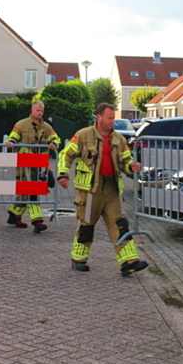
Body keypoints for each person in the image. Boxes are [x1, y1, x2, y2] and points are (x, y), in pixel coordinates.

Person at [58, 103, 149, 276]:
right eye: (109, 118)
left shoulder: (119, 139)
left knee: (120, 225)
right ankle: (78, 259)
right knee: (87, 227)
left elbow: (126, 161)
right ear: (99, 117)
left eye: (113, 118)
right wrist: (62, 174)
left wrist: (132, 167)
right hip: (90, 191)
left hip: (112, 190)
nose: (112, 121)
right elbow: (65, 154)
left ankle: (129, 262)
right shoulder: (83, 135)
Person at [5, 100, 61, 233]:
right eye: (38, 110)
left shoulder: (46, 127)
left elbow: (56, 138)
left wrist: (54, 144)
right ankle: (37, 221)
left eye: (42, 111)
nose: (40, 113)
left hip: (38, 165)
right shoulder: (21, 124)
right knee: (32, 191)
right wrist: (10, 142)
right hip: (24, 164)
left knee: (25, 191)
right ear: (32, 110)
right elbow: (13, 137)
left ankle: (14, 215)